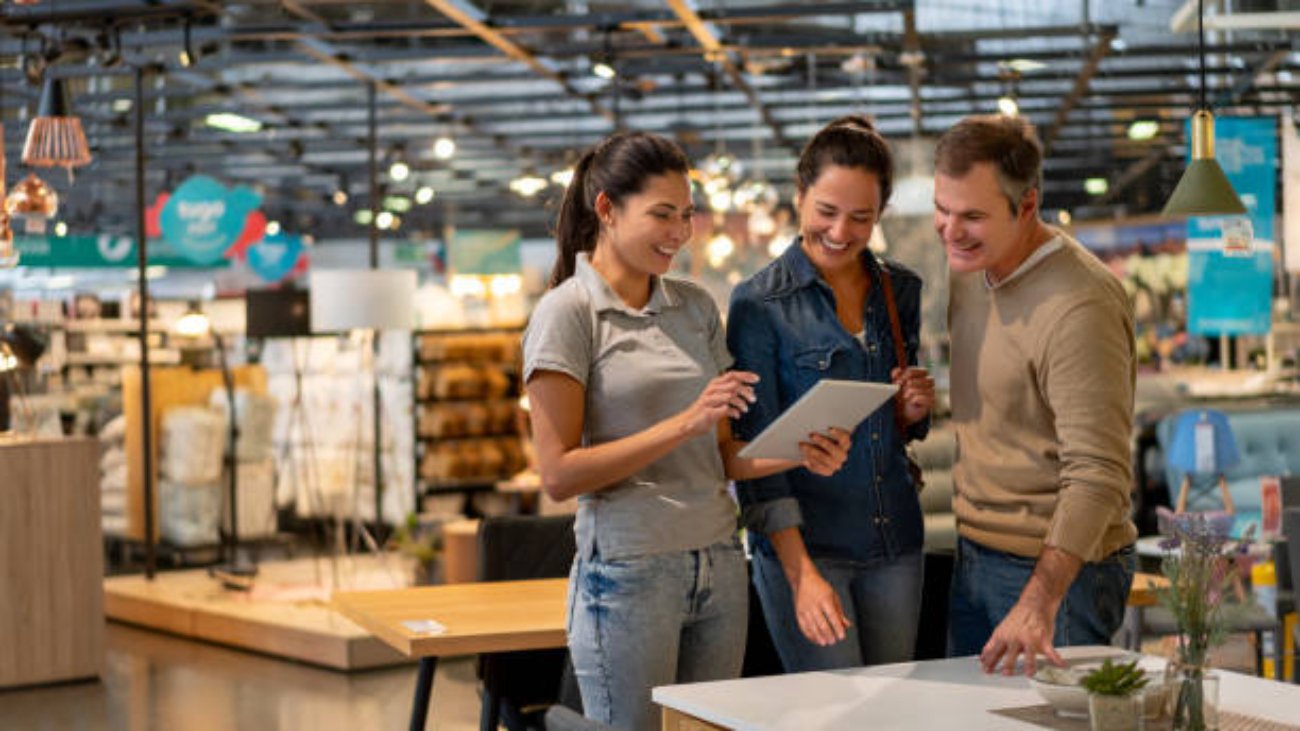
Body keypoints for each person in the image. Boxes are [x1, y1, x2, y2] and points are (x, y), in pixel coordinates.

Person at [522, 130, 851, 730]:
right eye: (662, 215)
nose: (680, 232)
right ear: (607, 210)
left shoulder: (695, 306)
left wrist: (799, 451)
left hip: (721, 565)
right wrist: (684, 423)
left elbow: (723, 454)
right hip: (627, 574)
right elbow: (558, 474)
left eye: (687, 214)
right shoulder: (567, 314)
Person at [727, 116, 936, 672]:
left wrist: (912, 411)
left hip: (895, 541)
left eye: (861, 217)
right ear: (799, 196)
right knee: (834, 714)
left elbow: (896, 426)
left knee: (894, 711)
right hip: (808, 549)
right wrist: (800, 574)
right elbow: (756, 461)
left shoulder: (900, 290)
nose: (841, 231)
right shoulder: (758, 306)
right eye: (826, 211)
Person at [933, 114, 1137, 677]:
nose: (950, 230)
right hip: (974, 555)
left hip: (1057, 576)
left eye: (972, 216)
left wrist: (1038, 601)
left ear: (1027, 207)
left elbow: (1098, 473)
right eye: (942, 210)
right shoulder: (971, 270)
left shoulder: (1080, 305)